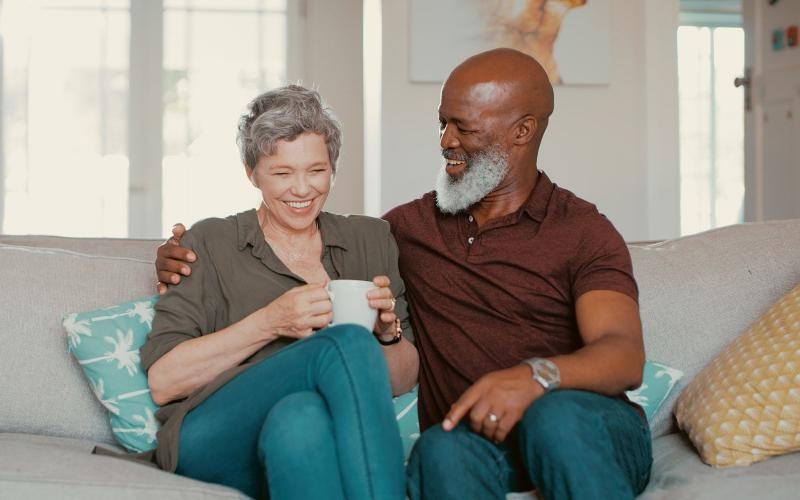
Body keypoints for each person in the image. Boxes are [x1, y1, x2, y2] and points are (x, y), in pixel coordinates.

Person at [157, 49, 652, 500]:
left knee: (555, 417)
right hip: (472, 436)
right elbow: (167, 372)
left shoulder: (581, 230)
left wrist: (534, 377)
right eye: (442, 124)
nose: (445, 142)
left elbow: (624, 354)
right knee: (438, 448)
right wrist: (174, 256)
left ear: (521, 131)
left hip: (576, 424)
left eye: (463, 127)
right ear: (253, 173)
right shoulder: (407, 229)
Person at [143, 85, 418, 500]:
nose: (302, 189)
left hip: (299, 432)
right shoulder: (210, 242)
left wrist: (386, 334)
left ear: (333, 167)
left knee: (300, 419)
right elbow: (164, 382)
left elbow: (402, 378)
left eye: (316, 170)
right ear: (251, 172)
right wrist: (271, 322)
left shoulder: (370, 239)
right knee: (343, 342)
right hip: (212, 436)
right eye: (282, 173)